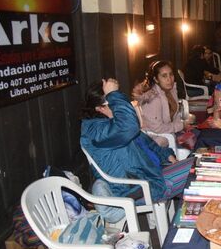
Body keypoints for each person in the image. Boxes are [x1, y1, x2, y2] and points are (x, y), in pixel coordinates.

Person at [80, 79, 194, 221]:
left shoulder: (111, 125)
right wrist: (113, 94)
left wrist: (167, 156)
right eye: (112, 103)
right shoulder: (96, 131)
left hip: (152, 173)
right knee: (197, 170)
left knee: (199, 164)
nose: (118, 107)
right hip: (138, 188)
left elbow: (147, 143)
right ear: (99, 109)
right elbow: (129, 127)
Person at [133, 60, 188, 147]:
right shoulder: (153, 98)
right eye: (164, 76)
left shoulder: (170, 90)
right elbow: (157, 128)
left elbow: (175, 114)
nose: (169, 79)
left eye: (171, 74)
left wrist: (183, 122)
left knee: (196, 135)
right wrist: (181, 125)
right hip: (155, 138)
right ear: (156, 79)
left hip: (169, 131)